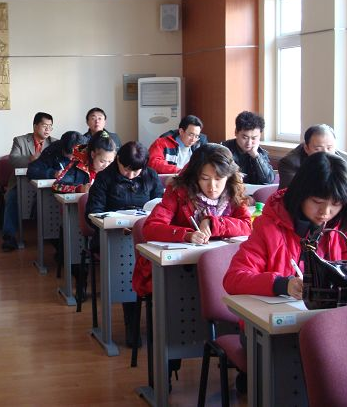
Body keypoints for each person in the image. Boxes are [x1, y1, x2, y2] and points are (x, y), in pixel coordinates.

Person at [224, 152, 347, 299]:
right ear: (300, 194)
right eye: (317, 202)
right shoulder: (269, 227)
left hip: (338, 310)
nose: (325, 212)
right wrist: (282, 284)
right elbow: (234, 278)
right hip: (283, 311)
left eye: (336, 204)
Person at [133, 143, 252, 297]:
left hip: (220, 266)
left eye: (219, 179)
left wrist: (213, 223)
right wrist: (187, 235)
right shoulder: (178, 191)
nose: (212, 186)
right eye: (205, 178)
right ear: (195, 176)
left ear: (229, 176)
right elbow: (151, 228)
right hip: (179, 269)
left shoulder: (234, 191)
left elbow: (247, 226)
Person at [86, 141, 164, 347]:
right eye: (126, 169)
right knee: (129, 269)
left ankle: (160, 325)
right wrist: (116, 225)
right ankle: (132, 325)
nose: (130, 175)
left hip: (145, 236)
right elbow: (92, 214)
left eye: (136, 171)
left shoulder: (150, 176)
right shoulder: (104, 178)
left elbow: (161, 208)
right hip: (112, 238)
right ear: (118, 160)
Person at [2, 112, 57, 251]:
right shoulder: (20, 141)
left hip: (46, 184)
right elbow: (13, 159)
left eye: (50, 126)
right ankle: (9, 237)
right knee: (12, 198)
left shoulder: (55, 143)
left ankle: (56, 236)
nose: (48, 129)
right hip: (21, 183)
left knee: (57, 199)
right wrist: (30, 159)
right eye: (44, 125)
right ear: (35, 126)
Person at [278, 124, 347, 189]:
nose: (325, 153)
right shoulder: (290, 163)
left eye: (329, 148)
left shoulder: (346, 159)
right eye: (317, 149)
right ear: (306, 148)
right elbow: (291, 194)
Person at [52, 130, 117, 193]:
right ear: (93, 155)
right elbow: (56, 186)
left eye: (110, 162)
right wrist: (80, 188)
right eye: (102, 161)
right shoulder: (78, 166)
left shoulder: (114, 170)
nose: (106, 166)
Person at [222, 111, 275, 184]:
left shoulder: (259, 152)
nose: (249, 143)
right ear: (236, 132)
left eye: (254, 138)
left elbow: (269, 180)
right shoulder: (224, 150)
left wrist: (256, 156)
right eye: (245, 137)